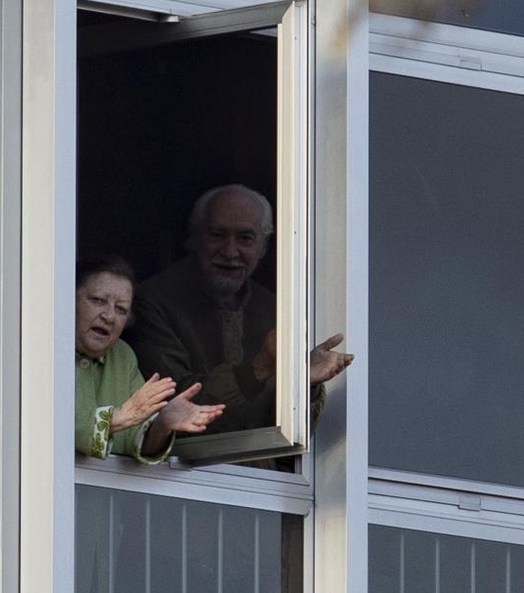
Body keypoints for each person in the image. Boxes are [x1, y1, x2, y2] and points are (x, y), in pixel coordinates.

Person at [129, 184, 353, 437]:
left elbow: (289, 437)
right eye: (217, 235)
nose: (230, 252)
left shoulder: (278, 308)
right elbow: (177, 407)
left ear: (263, 248)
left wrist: (305, 382)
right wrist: (259, 368)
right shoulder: (154, 300)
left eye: (245, 238)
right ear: (194, 238)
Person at [75, 255, 225, 462]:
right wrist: (119, 417)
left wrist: (161, 424)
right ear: (70, 299)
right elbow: (48, 430)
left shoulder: (122, 355)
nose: (109, 317)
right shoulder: (41, 350)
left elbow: (133, 443)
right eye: (98, 301)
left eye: (121, 309)